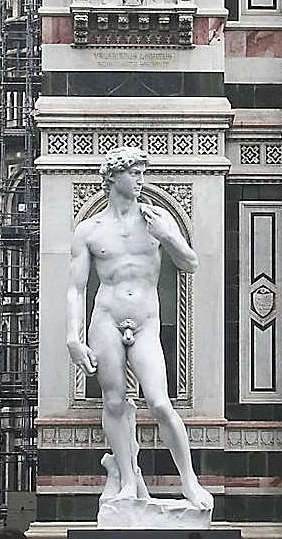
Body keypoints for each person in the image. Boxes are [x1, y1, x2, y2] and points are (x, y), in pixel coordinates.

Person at [67, 147, 213, 510]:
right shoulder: (90, 229)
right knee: (115, 402)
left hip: (146, 321)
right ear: (113, 177)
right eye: (133, 172)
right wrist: (74, 337)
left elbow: (190, 263)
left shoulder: (157, 218)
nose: (140, 178)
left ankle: (190, 483)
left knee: (160, 402)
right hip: (105, 319)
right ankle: (128, 481)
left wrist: (168, 235)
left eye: (142, 171)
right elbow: (75, 288)